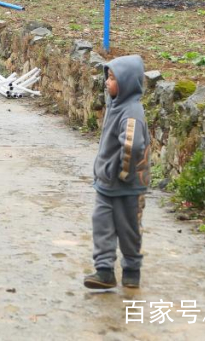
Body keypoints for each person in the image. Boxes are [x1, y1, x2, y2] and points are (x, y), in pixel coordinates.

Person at [84, 54, 150, 291]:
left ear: (127, 82)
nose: (106, 82)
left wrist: (121, 173)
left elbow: (133, 146)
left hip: (128, 185)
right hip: (106, 184)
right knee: (101, 224)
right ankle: (104, 270)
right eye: (108, 77)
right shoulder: (115, 105)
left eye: (112, 79)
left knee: (129, 228)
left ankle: (132, 269)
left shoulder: (131, 112)